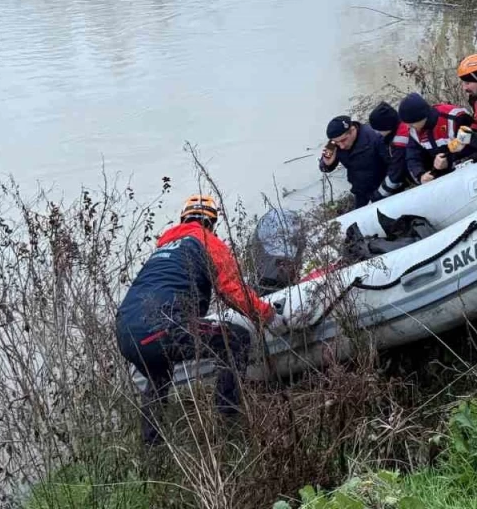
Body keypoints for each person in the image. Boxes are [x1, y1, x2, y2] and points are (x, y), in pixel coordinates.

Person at [115, 195, 286, 446]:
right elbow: (233, 291)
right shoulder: (207, 242)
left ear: (183, 219)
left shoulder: (162, 250)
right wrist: (268, 315)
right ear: (211, 223)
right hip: (161, 327)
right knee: (236, 339)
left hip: (126, 332)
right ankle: (228, 418)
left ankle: (153, 449)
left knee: (158, 379)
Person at [397, 92, 474, 184]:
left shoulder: (455, 118)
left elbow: (474, 144)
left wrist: (448, 161)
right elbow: (412, 157)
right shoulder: (414, 131)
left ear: (422, 117)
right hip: (445, 180)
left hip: (470, 173)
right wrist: (421, 175)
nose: (409, 127)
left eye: (411, 124)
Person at [319, 115, 389, 208]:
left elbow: (393, 166)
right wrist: (326, 164)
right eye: (337, 142)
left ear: (352, 130)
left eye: (343, 140)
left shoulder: (373, 136)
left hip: (382, 188)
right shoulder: (332, 144)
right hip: (360, 192)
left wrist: (382, 192)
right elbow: (324, 167)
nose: (341, 146)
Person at [368, 101, 412, 199]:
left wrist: (376, 198)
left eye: (378, 129)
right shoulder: (402, 125)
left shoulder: (400, 142)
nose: (377, 132)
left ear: (387, 127)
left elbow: (395, 176)